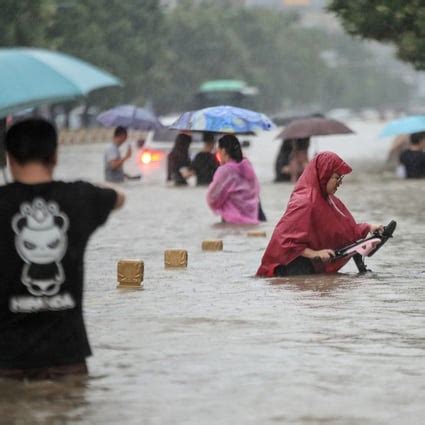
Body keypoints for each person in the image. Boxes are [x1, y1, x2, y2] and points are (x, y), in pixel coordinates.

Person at [0, 118, 125, 380]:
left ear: (8, 156)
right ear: (55, 155)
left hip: (6, 362)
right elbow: (119, 197)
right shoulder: (80, 197)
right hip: (67, 360)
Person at [257, 151, 383, 277]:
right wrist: (315, 254)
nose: (340, 183)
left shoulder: (329, 200)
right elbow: (286, 242)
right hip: (288, 269)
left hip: (310, 267)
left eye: (341, 178)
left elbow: (344, 230)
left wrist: (369, 227)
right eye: (337, 177)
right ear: (324, 175)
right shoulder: (304, 201)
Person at [207, 134, 261, 224]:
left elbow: (212, 197)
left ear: (223, 151)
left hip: (231, 221)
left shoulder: (225, 171)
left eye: (218, 151)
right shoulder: (248, 167)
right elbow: (256, 190)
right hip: (252, 220)